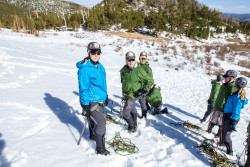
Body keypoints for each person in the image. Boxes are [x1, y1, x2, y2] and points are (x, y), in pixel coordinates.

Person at [76, 42, 109, 155]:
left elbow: (103, 84)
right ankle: (100, 149)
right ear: (89, 53)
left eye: (98, 52)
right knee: (101, 123)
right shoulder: (85, 69)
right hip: (90, 101)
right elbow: (83, 88)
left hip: (99, 99)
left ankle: (93, 136)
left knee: (94, 121)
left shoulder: (100, 66)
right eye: (93, 52)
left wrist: (106, 96)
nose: (96, 54)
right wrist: (85, 106)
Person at [120, 51, 154, 132]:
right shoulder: (124, 69)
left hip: (133, 95)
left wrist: (142, 91)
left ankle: (131, 126)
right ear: (126, 60)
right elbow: (123, 81)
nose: (131, 62)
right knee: (133, 110)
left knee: (125, 113)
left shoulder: (139, 70)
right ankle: (134, 125)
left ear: (135, 60)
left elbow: (150, 81)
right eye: (128, 60)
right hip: (126, 94)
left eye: (132, 59)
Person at [137, 51, 168, 118]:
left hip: (145, 87)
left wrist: (147, 87)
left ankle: (144, 115)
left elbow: (150, 80)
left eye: (144, 59)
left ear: (146, 59)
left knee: (142, 98)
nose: (142, 60)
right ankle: (147, 108)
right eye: (141, 58)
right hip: (138, 86)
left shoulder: (148, 69)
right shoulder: (137, 67)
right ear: (139, 58)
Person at [206, 70, 237, 136]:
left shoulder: (232, 88)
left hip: (224, 110)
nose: (224, 78)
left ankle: (218, 133)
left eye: (226, 77)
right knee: (213, 119)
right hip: (217, 107)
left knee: (221, 123)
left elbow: (232, 101)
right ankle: (209, 130)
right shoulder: (224, 85)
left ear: (231, 78)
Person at [222, 77, 248, 155]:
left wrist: (232, 121)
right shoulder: (235, 95)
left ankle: (230, 152)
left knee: (226, 137)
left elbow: (237, 110)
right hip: (228, 116)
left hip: (232, 119)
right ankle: (225, 146)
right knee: (224, 134)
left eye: (235, 85)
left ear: (237, 86)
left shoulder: (237, 97)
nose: (234, 86)